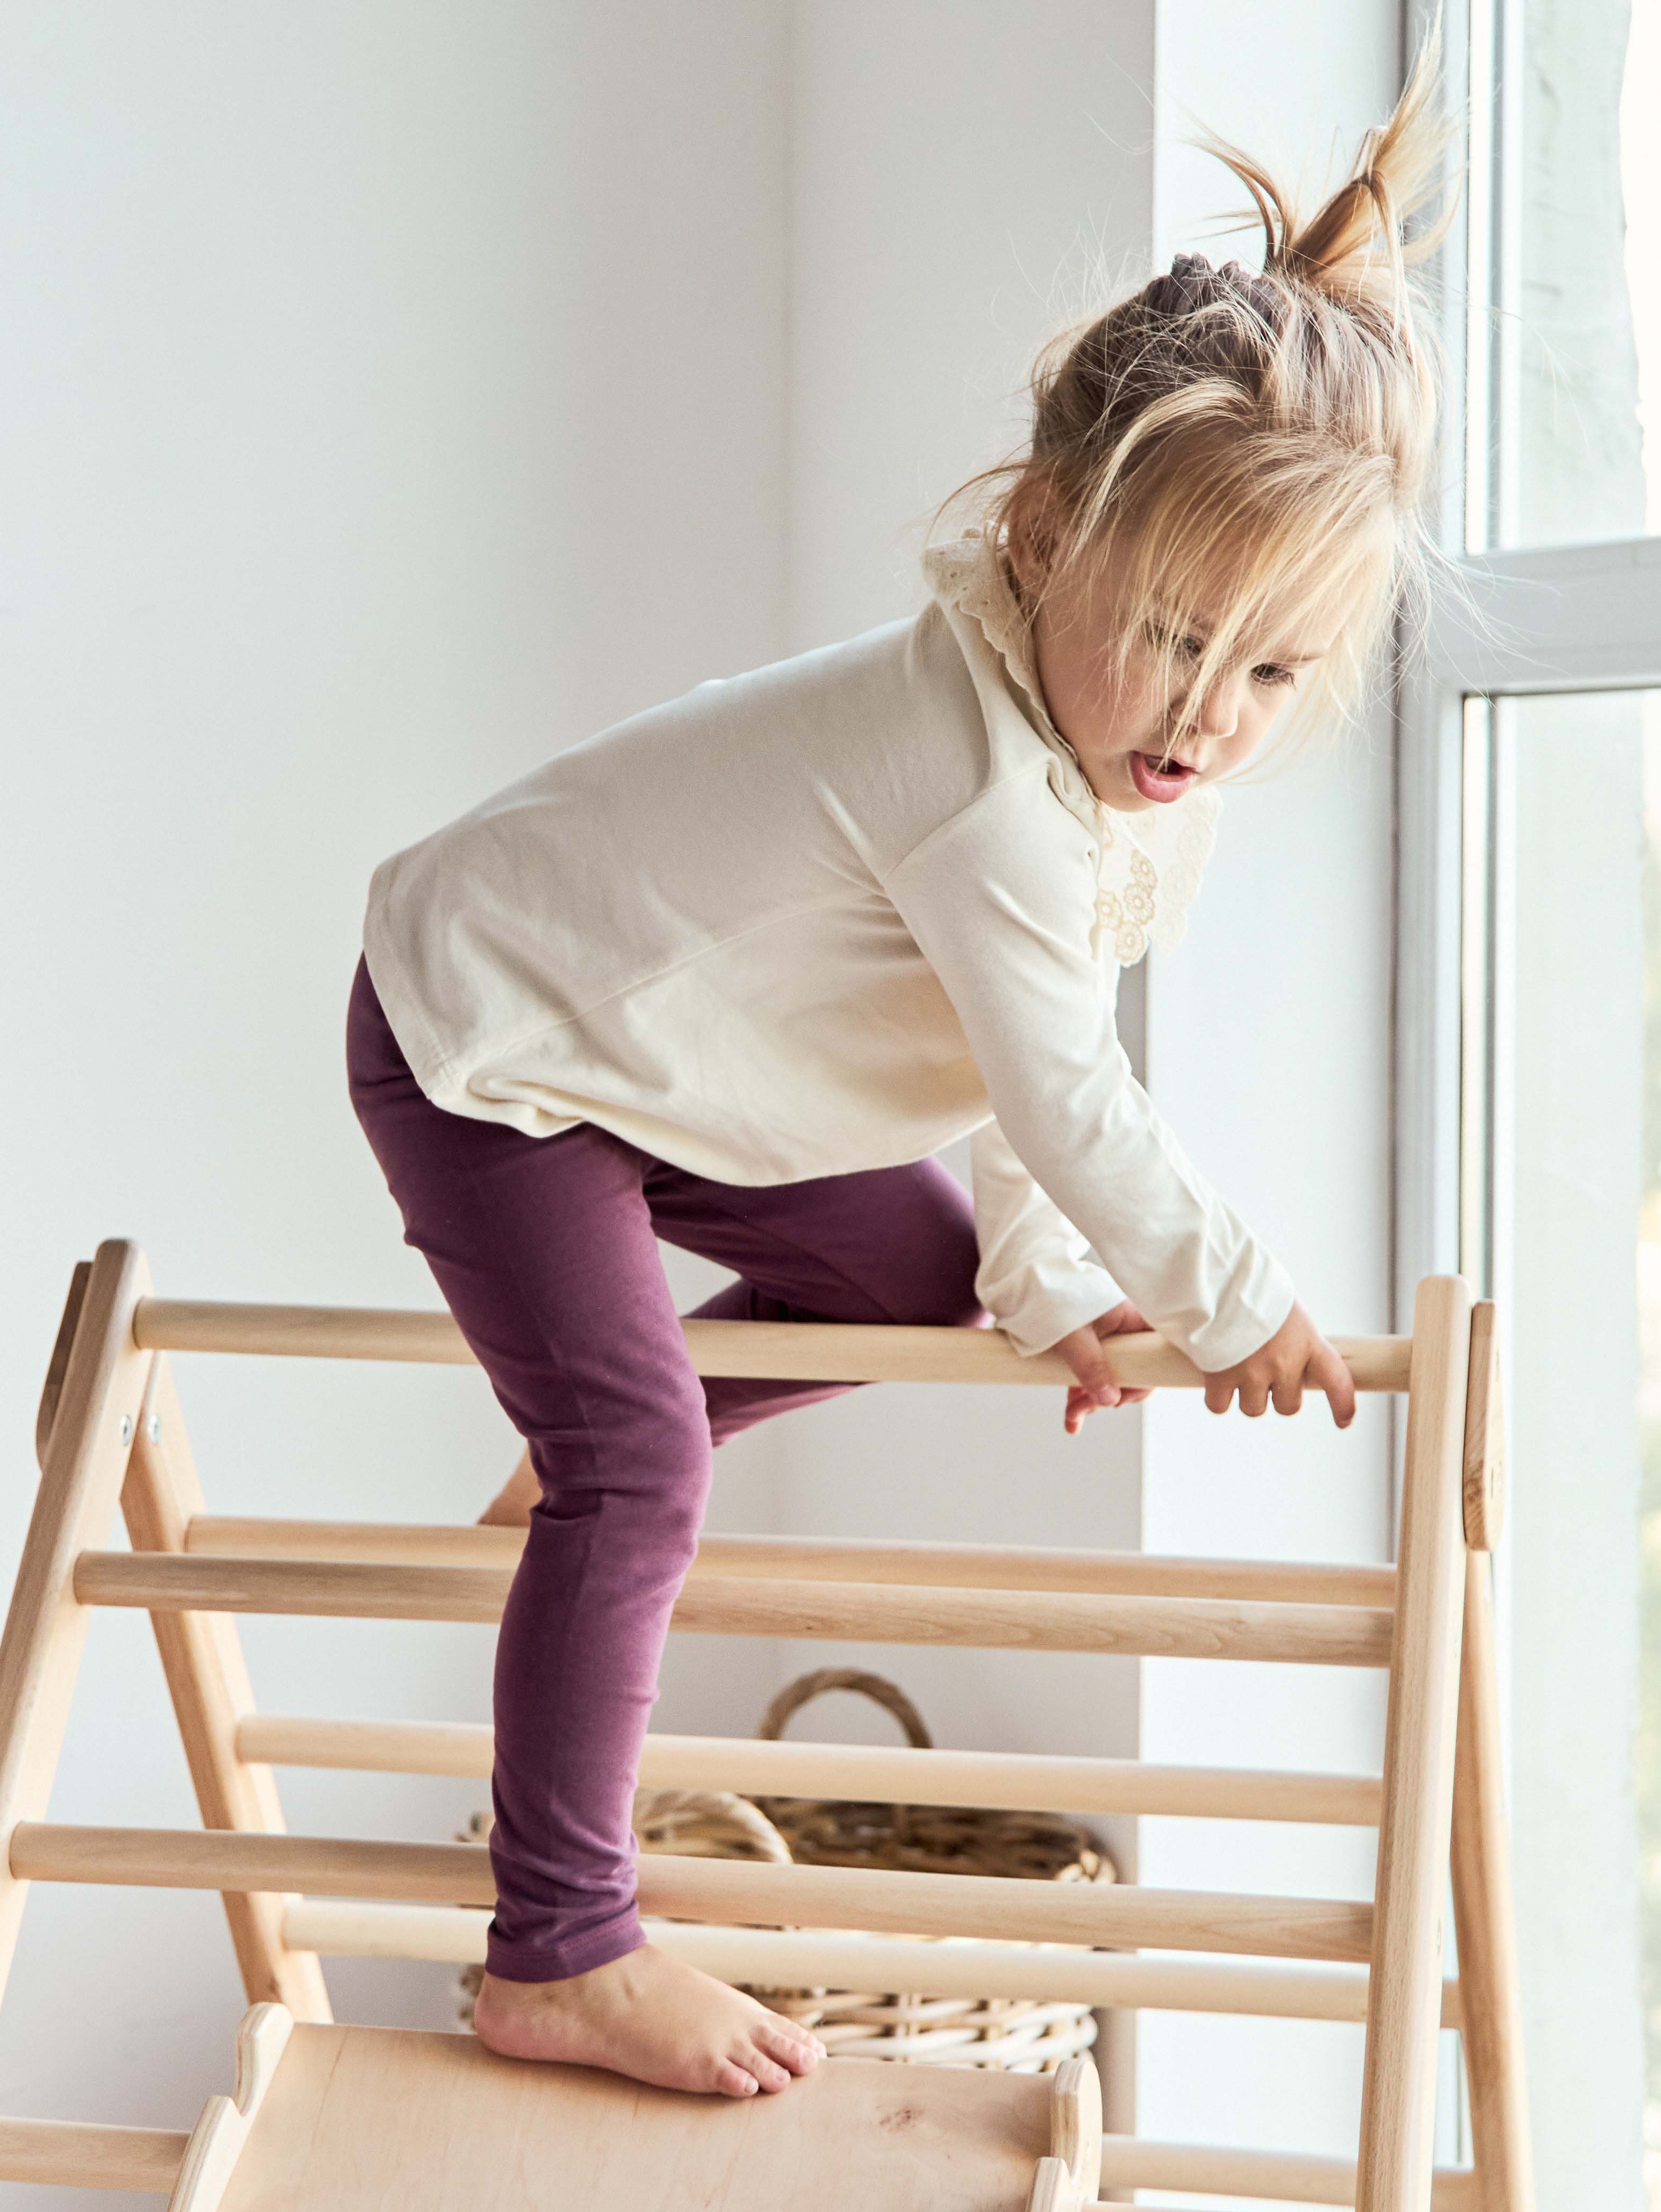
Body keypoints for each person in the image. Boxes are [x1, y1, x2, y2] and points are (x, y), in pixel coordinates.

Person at [347, 52, 1450, 2101]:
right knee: (643, 1469)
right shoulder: (975, 780)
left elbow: (1017, 1068)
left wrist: (1057, 1294)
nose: (1208, 716)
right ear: (1041, 541)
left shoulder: (1116, 784)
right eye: (1173, 636)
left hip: (667, 1061)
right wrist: (1228, 1306)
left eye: (1273, 674)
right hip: (491, 1035)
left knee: (912, 1279)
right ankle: (558, 1943)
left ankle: (610, 1434)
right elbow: (1062, 1097)